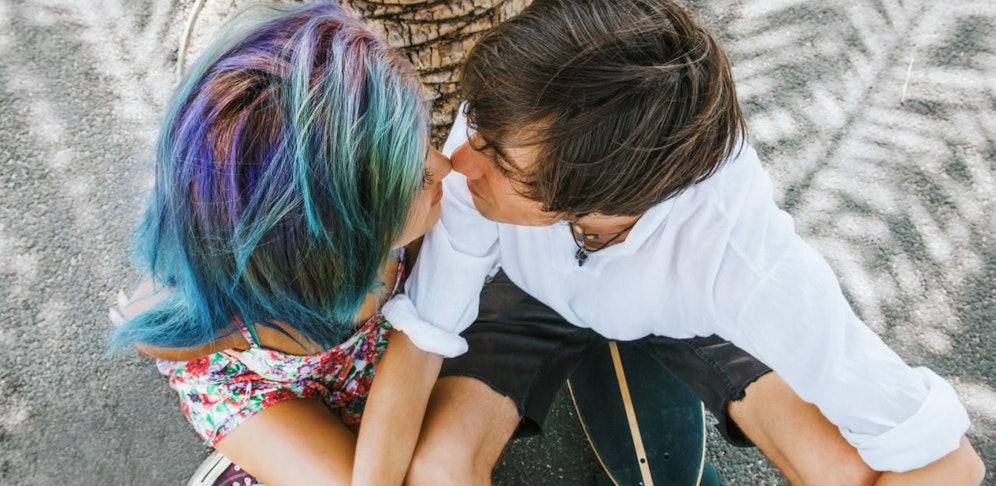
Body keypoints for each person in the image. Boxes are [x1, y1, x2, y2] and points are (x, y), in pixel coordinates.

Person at [383, 0, 987, 483]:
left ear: (608, 197)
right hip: (525, 290)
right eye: (476, 127)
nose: (454, 162)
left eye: (497, 160)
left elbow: (947, 463)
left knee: (843, 472)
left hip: (695, 315)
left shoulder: (743, 264)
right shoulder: (513, 119)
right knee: (436, 468)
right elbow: (426, 331)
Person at [108, 3, 453, 484]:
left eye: (424, 145)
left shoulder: (402, 230)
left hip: (356, 359)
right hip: (263, 385)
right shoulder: (223, 322)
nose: (447, 168)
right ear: (331, 243)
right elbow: (153, 328)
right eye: (415, 176)